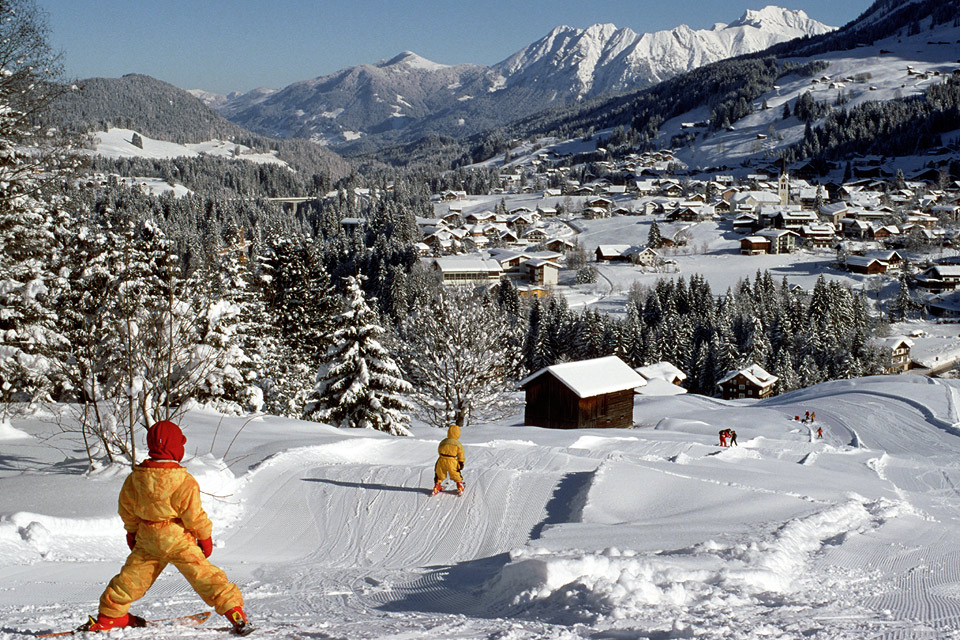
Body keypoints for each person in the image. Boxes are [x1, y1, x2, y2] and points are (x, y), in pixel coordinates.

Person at [82, 421, 248, 634]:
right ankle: (233, 611)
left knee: (130, 579)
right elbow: (194, 516)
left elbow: (127, 509)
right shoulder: (183, 481)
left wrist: (132, 532)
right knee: (205, 576)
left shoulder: (135, 478)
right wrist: (204, 537)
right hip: (178, 539)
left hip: (148, 539)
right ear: (177, 448)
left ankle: (109, 616)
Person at [433, 423, 465, 495]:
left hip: (441, 460)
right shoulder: (458, 444)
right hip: (452, 461)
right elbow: (461, 454)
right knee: (455, 474)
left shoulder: (443, 441)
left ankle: (437, 486)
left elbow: (439, 450)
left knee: (439, 474)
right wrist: (461, 462)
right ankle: (460, 486)